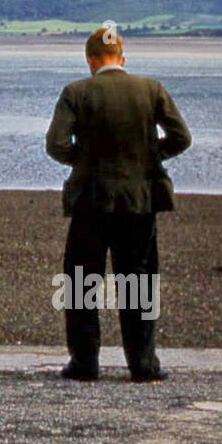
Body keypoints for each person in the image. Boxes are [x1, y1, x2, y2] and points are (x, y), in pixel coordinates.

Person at [45, 26, 191, 382]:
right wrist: (148, 155)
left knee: (81, 281)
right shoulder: (151, 89)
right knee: (138, 280)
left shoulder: (76, 92)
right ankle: (142, 363)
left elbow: (56, 144)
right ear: (122, 59)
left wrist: (85, 159)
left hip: (90, 200)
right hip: (139, 200)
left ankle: (84, 362)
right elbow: (181, 137)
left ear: (91, 60)